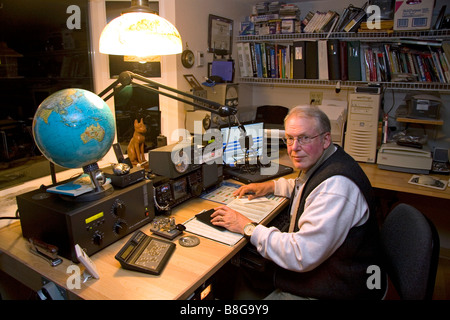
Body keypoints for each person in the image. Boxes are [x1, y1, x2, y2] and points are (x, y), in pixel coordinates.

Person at [211, 105, 386, 300]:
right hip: (332, 270)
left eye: (304, 138)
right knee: (240, 270)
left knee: (246, 265)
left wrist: (247, 227)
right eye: (290, 138)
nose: (294, 148)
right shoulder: (329, 160)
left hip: (340, 288)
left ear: (325, 139)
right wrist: (271, 186)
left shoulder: (336, 188)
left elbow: (300, 254)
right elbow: (306, 186)